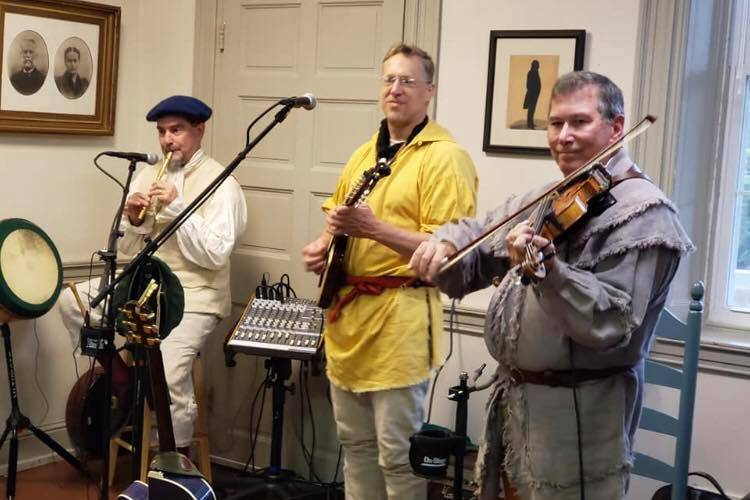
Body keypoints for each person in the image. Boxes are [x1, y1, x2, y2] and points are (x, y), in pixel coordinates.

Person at [410, 71, 694, 499]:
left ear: (617, 128)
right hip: (518, 410)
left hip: (579, 418)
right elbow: (480, 232)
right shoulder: (553, 193)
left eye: (579, 122)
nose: (563, 136)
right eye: (555, 123)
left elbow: (611, 322)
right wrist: (445, 242)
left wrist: (551, 272)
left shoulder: (646, 216)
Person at [302, 44, 477, 500]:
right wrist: (323, 247)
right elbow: (338, 219)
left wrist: (375, 229)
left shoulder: (445, 157)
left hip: (400, 320)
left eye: (407, 81)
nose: (395, 90)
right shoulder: (365, 155)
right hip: (348, 322)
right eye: (389, 80)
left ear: (429, 92)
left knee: (399, 456)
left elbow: (451, 248)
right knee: (355, 448)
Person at [60, 95, 247, 457]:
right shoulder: (147, 174)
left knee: (170, 376)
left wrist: (177, 208)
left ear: (199, 130)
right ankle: (126, 384)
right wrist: (133, 220)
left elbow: (214, 255)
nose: (167, 140)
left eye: (176, 131)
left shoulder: (223, 184)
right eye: (162, 132)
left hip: (195, 295)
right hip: (146, 287)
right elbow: (128, 254)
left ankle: (172, 468)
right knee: (72, 303)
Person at [523, 60, 541, 129]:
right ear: (534, 65)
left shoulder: (535, 72)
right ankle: (529, 124)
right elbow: (528, 85)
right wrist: (533, 91)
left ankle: (531, 123)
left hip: (535, 94)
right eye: (537, 65)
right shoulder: (531, 73)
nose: (539, 66)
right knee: (531, 109)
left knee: (532, 109)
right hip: (532, 94)